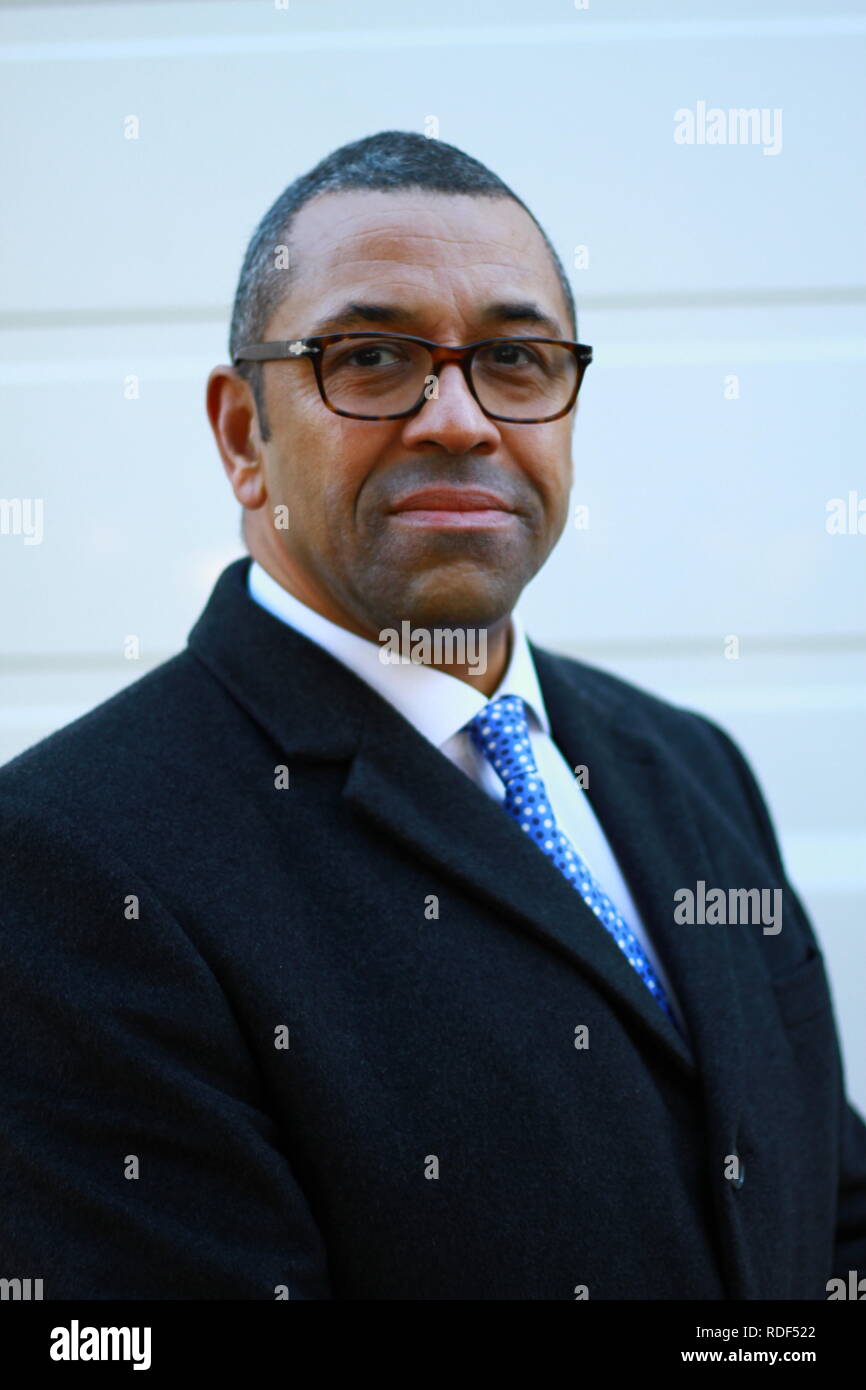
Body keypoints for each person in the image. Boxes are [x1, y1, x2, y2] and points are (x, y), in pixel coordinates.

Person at [1, 130, 864, 1301]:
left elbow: (824, 1211)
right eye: (369, 356)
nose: (457, 418)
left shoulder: (689, 765)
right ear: (244, 434)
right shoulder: (69, 857)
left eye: (513, 358)